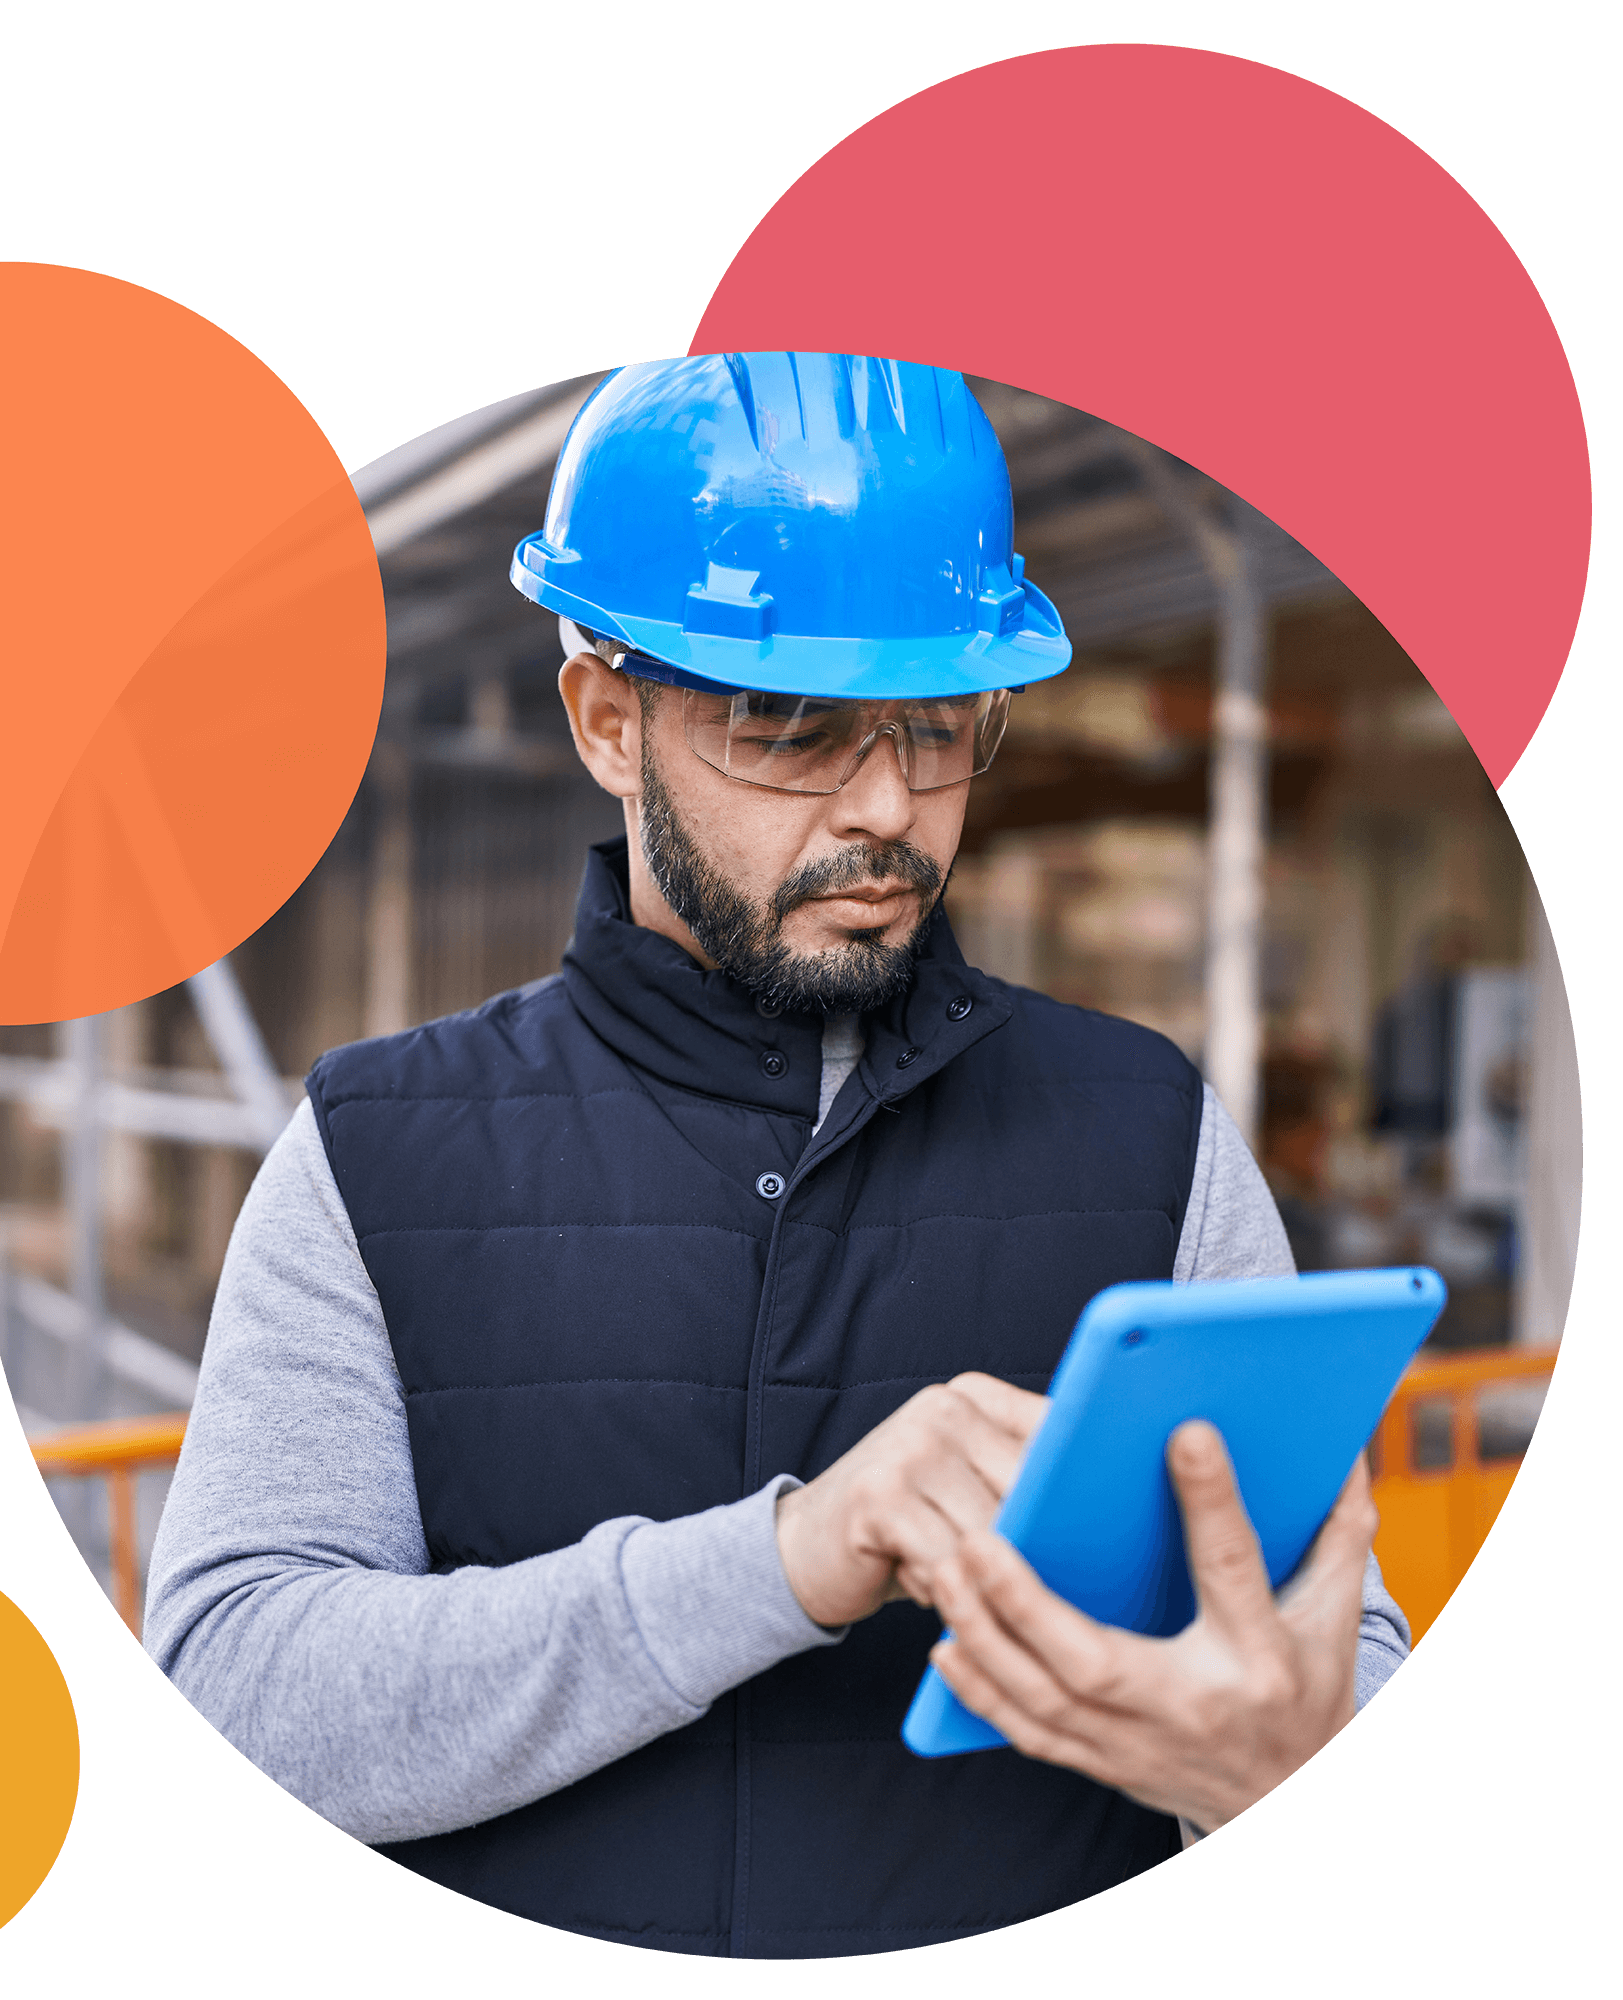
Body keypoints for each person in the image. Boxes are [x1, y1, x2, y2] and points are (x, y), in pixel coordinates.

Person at [144, 355, 1410, 1959]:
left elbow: (1333, 1643)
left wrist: (1272, 1756)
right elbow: (242, 1694)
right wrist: (787, 1559)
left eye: (939, 725)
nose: (886, 806)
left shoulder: (1151, 1128)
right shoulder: (371, 1151)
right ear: (609, 720)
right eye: (792, 727)